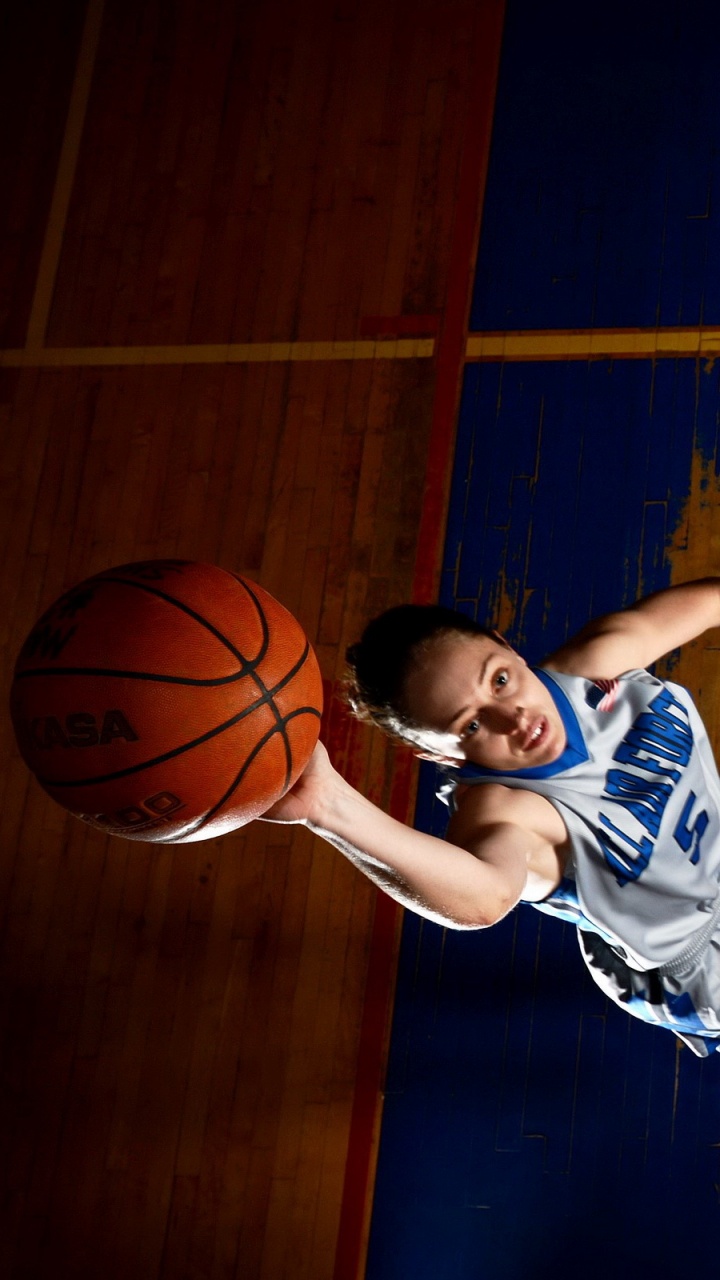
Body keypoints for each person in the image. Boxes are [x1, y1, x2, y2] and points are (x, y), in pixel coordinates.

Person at [263, 579, 720, 1056]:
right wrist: (328, 806)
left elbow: (711, 602)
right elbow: (486, 897)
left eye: (499, 679)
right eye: (473, 725)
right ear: (437, 754)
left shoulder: (597, 665)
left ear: (505, 646)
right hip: (697, 959)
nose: (514, 718)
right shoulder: (503, 811)